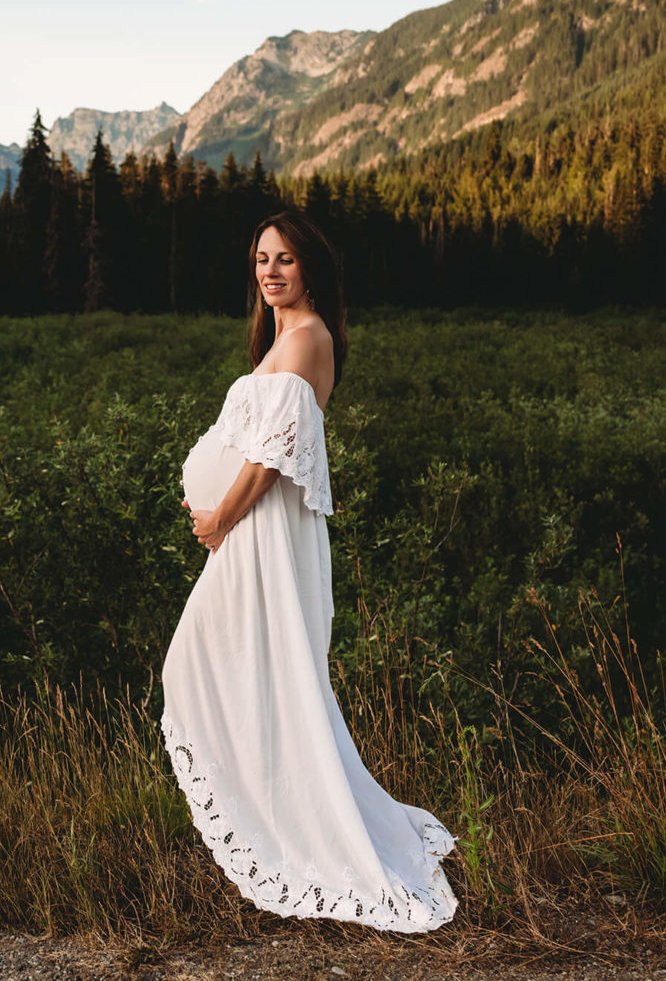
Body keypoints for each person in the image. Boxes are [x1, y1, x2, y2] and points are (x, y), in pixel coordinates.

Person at [160, 208, 458, 932]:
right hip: (248, 536)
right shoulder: (284, 337)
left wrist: (220, 516)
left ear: (311, 268)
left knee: (204, 666)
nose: (270, 270)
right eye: (261, 258)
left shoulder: (310, 336)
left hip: (257, 536)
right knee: (247, 675)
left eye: (285, 259)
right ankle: (274, 815)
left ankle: (288, 829)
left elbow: (270, 455)